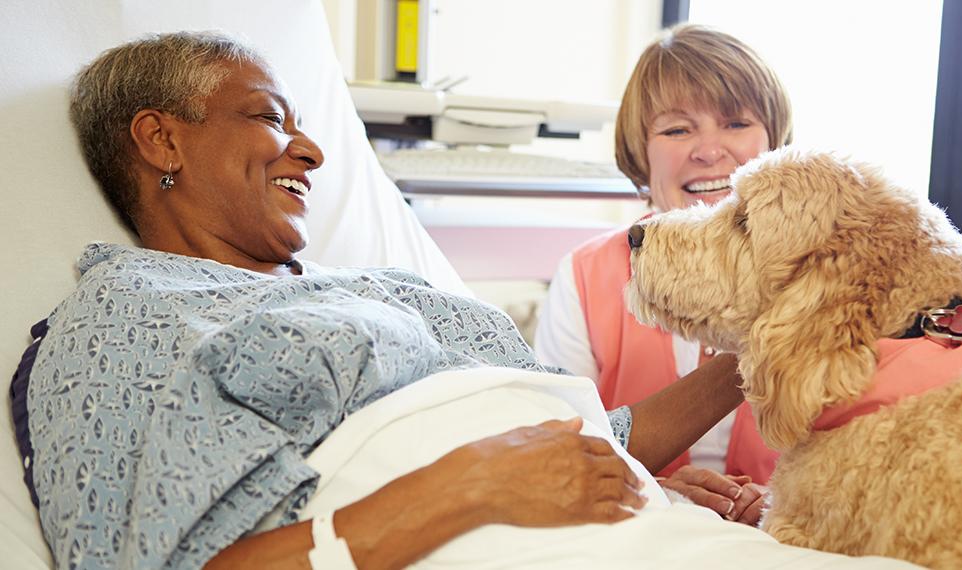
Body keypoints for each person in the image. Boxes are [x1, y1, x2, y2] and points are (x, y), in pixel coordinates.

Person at [23, 32, 761, 569]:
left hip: (639, 527)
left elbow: (586, 438)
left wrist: (772, 337)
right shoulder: (124, 314)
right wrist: (468, 486)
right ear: (161, 140)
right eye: (270, 117)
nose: (311, 151)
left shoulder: (382, 285)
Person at [534, 24, 792, 520]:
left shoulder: (821, 271)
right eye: (677, 129)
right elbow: (559, 448)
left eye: (736, 123)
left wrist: (781, 501)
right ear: (640, 151)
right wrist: (663, 490)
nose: (709, 150)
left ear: (775, 140)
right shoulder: (586, 276)